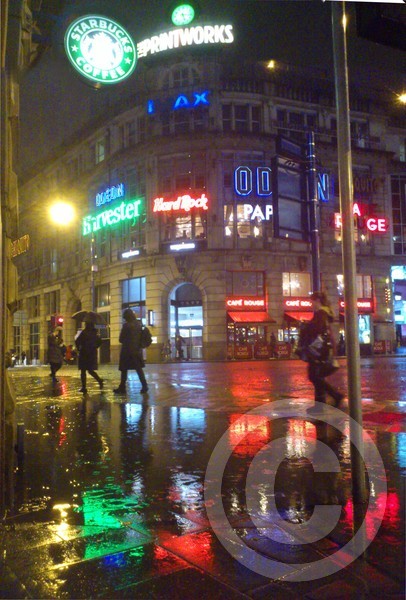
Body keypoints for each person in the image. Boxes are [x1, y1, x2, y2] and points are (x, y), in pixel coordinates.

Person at [304, 291, 344, 413]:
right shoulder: (326, 312)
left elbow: (317, 329)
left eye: (312, 302)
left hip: (319, 349)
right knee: (317, 376)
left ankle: (335, 396)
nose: (311, 305)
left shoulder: (321, 313)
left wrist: (306, 327)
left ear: (317, 301)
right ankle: (320, 405)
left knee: (314, 376)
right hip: (323, 349)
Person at [114, 308, 148, 394]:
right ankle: (144, 385)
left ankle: (122, 387)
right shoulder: (139, 324)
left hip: (127, 350)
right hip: (136, 350)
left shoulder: (126, 326)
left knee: (124, 370)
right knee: (139, 369)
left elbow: (121, 339)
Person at [75, 320, 104, 394]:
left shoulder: (84, 332)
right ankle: (99, 380)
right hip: (92, 353)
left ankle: (84, 387)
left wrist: (78, 348)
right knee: (90, 370)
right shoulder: (94, 333)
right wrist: (95, 347)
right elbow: (100, 341)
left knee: (83, 371)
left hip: (84, 353)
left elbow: (77, 341)